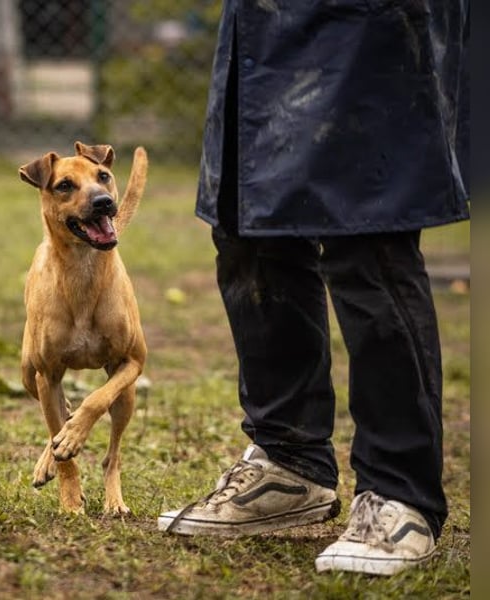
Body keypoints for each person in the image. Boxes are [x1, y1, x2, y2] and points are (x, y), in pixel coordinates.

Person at [157, 0, 469, 576]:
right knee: (248, 227)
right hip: (262, 23)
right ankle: (290, 460)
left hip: (370, 21)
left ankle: (399, 494)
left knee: (366, 231)